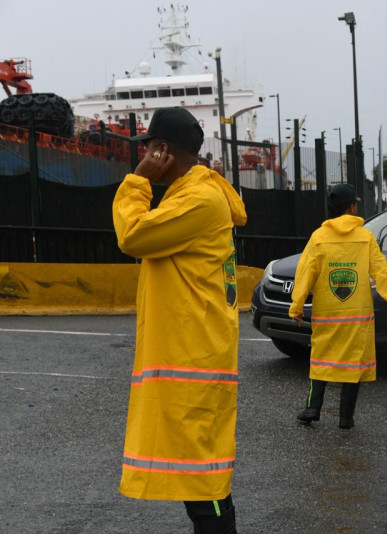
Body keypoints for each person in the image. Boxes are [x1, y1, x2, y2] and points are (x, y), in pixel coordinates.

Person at [112, 107, 246, 534]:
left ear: (162, 149)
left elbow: (132, 236)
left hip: (194, 360)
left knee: (205, 487)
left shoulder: (197, 200)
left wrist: (138, 180)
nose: (146, 154)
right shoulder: (191, 196)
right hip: (193, 356)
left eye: (149, 147)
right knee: (199, 481)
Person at [289, 183, 387, 429]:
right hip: (357, 316)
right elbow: (381, 274)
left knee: (320, 360)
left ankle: (313, 408)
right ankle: (345, 417)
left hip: (326, 315)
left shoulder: (318, 238)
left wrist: (296, 306)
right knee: (352, 365)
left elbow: (304, 274)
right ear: (352, 207)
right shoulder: (365, 237)